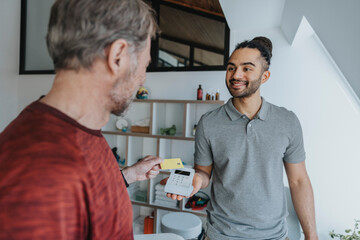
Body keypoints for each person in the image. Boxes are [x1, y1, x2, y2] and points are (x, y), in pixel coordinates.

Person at [0, 0, 161, 239]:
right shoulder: (38, 174)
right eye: (145, 66)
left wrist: (129, 175)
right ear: (117, 56)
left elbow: (84, 196)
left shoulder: (80, 130)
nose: (142, 80)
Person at [167, 37, 318, 240]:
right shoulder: (208, 122)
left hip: (274, 236)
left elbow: (298, 181)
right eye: (231, 68)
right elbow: (204, 172)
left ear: (265, 76)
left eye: (247, 68)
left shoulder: (287, 121)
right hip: (221, 234)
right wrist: (197, 179)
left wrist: (311, 235)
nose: (236, 75)